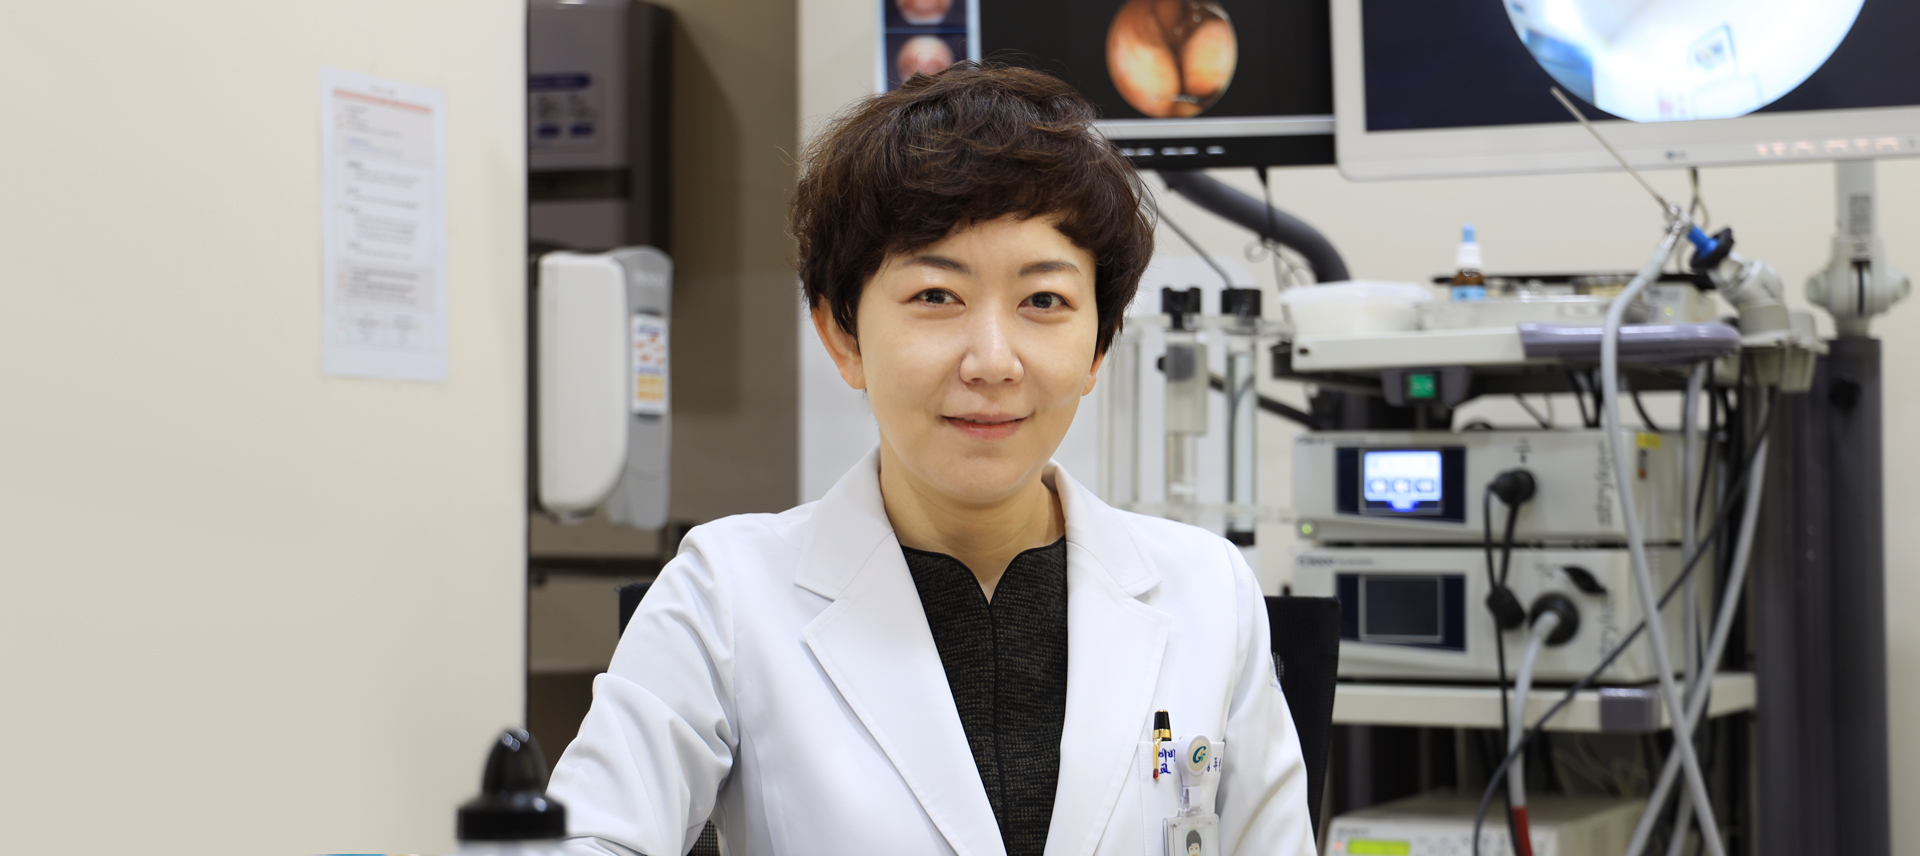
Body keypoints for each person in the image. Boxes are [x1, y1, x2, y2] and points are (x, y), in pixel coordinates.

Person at [545, 62, 1316, 856]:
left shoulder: (1208, 592)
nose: (993, 361)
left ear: (1098, 346)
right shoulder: (726, 593)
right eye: (936, 297)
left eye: (1044, 301)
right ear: (843, 336)